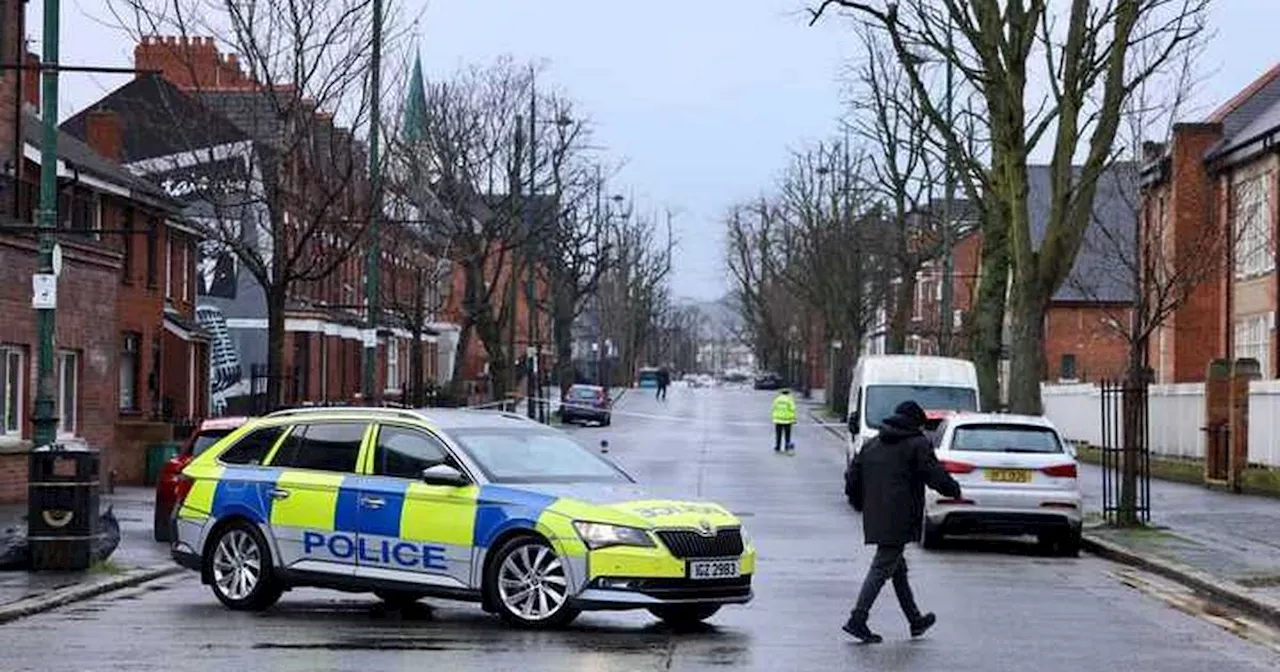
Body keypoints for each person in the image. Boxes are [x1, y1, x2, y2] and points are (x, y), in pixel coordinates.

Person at [843, 400, 961, 643]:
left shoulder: (872, 444)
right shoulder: (917, 444)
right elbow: (934, 474)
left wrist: (859, 503)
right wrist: (953, 489)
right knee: (881, 566)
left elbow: (853, 477)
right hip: (901, 516)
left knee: (898, 569)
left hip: (877, 514)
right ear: (915, 423)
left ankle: (915, 620)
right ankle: (858, 618)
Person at [770, 388, 797, 454]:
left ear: (781, 393)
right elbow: (793, 409)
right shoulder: (789, 400)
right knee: (787, 435)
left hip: (778, 420)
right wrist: (794, 419)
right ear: (788, 393)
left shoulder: (777, 399)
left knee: (778, 434)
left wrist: (774, 417)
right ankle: (786, 446)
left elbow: (773, 408)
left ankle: (777, 446)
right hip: (787, 420)